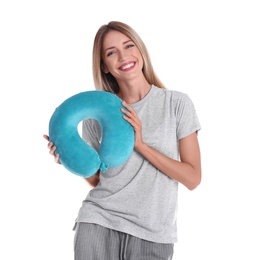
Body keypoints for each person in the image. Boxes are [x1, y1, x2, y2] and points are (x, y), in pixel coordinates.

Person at [43, 21, 201, 260]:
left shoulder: (176, 104)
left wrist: (140, 145)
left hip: (153, 232)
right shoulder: (97, 114)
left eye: (128, 46)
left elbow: (192, 178)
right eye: (111, 52)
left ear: (140, 50)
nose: (123, 56)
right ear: (105, 66)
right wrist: (68, 159)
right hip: (99, 221)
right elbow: (98, 179)